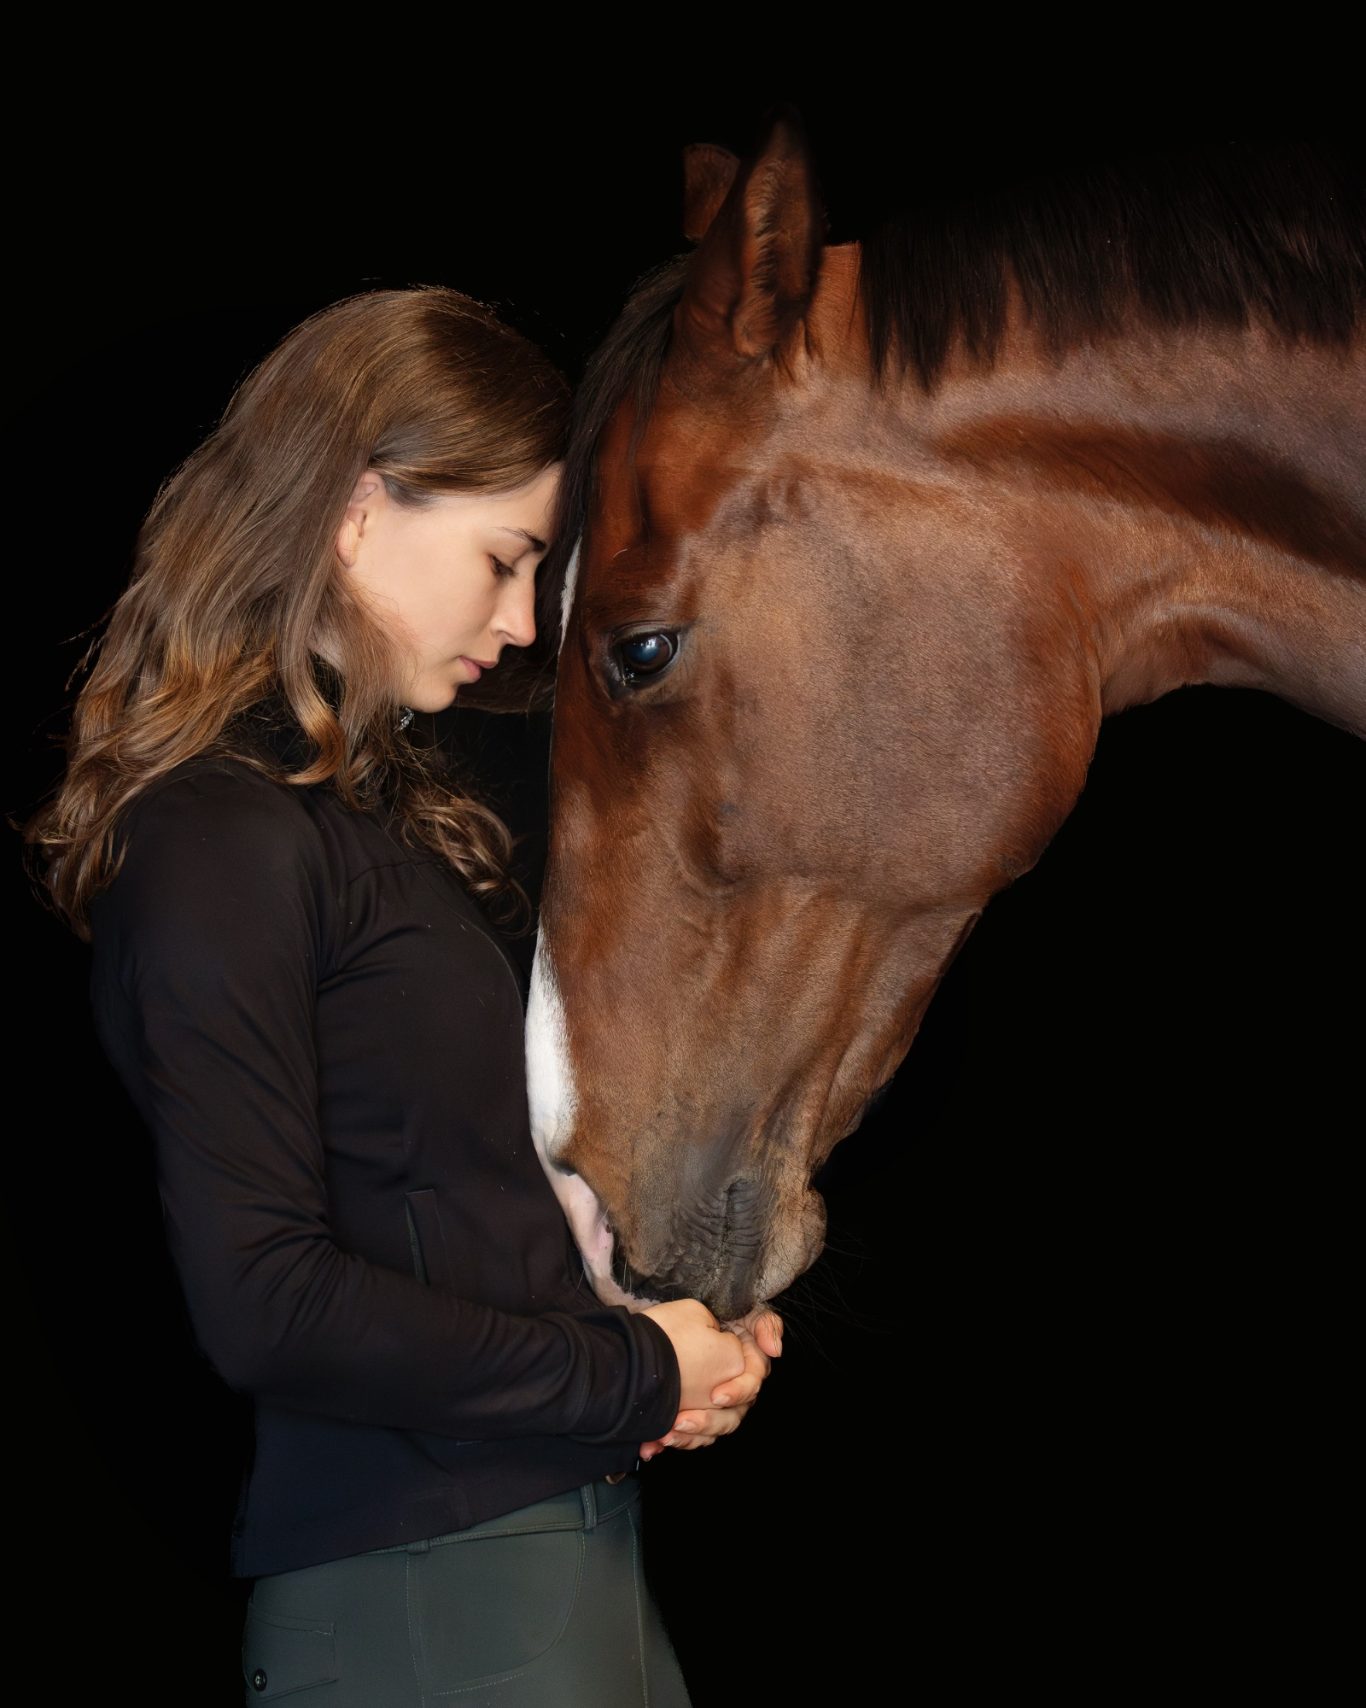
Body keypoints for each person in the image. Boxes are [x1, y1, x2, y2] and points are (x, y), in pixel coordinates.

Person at [22, 284, 782, 1706]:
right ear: (359, 507)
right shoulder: (215, 836)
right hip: (436, 1603)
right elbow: (267, 1303)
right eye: (503, 560)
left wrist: (662, 1323)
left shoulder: (354, 827)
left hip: (541, 1572)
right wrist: (631, 1374)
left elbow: (434, 1211)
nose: (519, 620)